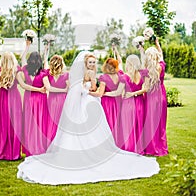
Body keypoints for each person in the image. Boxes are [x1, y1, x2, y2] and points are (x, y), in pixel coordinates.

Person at [17, 51, 160, 185]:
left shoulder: (77, 73)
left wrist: (87, 90)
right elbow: (92, 89)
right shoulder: (91, 73)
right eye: (91, 62)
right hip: (87, 100)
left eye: (94, 62)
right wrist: (93, 89)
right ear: (86, 63)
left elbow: (75, 88)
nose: (93, 64)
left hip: (81, 101)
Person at [126, 38, 168, 156]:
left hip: (151, 98)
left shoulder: (147, 71)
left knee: (150, 122)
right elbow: (161, 55)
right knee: (160, 123)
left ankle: (152, 147)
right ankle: (160, 145)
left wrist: (132, 94)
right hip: (161, 96)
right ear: (156, 56)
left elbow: (146, 88)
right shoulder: (161, 66)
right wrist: (157, 43)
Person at [104, 55, 147, 154]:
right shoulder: (141, 75)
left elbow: (118, 92)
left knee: (128, 127)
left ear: (129, 63)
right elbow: (146, 89)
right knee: (138, 126)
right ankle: (139, 148)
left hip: (128, 104)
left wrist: (104, 93)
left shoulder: (124, 77)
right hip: (140, 103)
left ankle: (129, 148)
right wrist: (135, 93)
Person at [89, 46, 123, 147]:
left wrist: (87, 92)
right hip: (118, 101)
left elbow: (100, 94)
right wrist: (116, 51)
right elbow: (120, 62)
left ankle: (110, 143)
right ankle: (118, 142)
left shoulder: (104, 77)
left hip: (108, 103)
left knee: (108, 122)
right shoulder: (120, 74)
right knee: (117, 122)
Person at [18, 50, 49, 157]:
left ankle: (29, 148)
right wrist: (39, 90)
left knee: (29, 123)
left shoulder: (25, 70)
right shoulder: (43, 73)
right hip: (40, 99)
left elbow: (24, 85)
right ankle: (38, 146)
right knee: (39, 123)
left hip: (28, 98)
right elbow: (46, 87)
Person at [42, 54, 69, 146]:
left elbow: (49, 88)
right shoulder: (66, 75)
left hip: (52, 100)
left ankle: (51, 144)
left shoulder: (47, 74)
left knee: (52, 122)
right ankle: (62, 144)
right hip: (62, 100)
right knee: (61, 122)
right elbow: (69, 88)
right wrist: (64, 90)